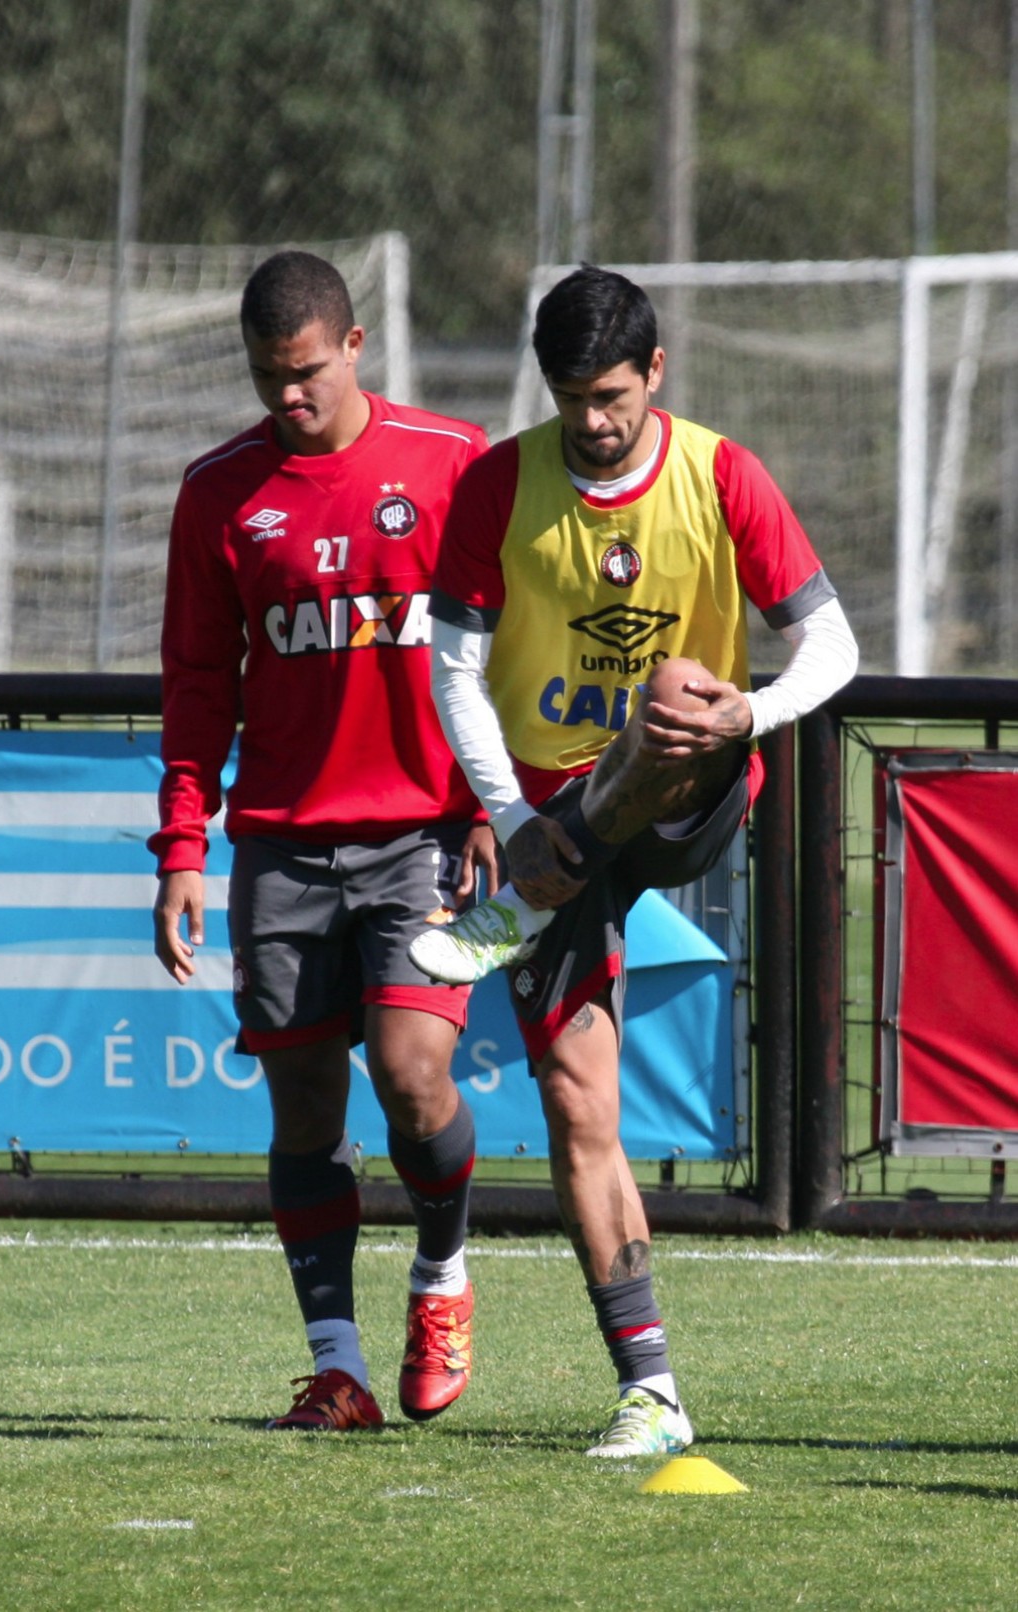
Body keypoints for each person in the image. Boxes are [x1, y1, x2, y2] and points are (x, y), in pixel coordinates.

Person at [410, 264, 859, 1457]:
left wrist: (751, 714)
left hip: (687, 788)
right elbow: (454, 669)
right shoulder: (499, 484)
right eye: (572, 399)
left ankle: (530, 896)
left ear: (655, 372)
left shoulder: (722, 474)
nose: (594, 421)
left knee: (670, 693)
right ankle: (652, 1391)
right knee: (576, 1100)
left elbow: (833, 647)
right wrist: (511, 816)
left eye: (611, 395)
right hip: (549, 828)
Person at [150, 250, 496, 1433]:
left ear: (354, 346)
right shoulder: (220, 492)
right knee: (303, 1107)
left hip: (421, 833)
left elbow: (507, 645)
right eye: (266, 377)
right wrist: (182, 847)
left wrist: (494, 803)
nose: (287, 396)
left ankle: (442, 1274)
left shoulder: (451, 461)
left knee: (412, 1075)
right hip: (284, 848)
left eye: (304, 371)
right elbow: (199, 682)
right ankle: (337, 1368)